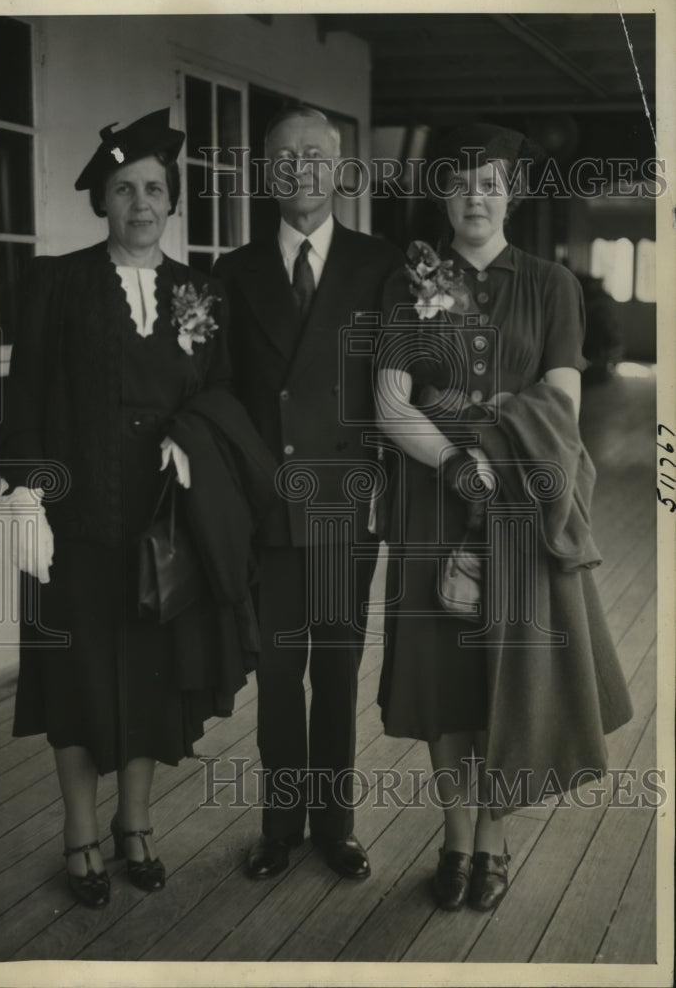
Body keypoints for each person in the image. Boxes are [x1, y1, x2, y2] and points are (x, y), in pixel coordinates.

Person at [0, 109, 275, 909]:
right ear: (103, 203)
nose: (140, 203)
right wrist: (24, 492)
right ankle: (79, 834)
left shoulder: (202, 292)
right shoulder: (57, 282)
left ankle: (135, 825)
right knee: (78, 682)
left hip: (163, 527)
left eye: (154, 188)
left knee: (153, 681)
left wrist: (191, 436)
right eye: (124, 190)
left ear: (172, 201)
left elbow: (221, 390)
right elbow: (24, 399)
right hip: (76, 525)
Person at [375, 123, 633, 912]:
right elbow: (389, 405)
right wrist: (455, 460)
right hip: (430, 504)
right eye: (459, 181)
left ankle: (491, 837)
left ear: (511, 193)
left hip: (517, 506)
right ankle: (454, 836)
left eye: (490, 181)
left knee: (505, 678)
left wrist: (478, 435)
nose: (475, 194)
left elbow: (559, 406)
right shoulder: (407, 280)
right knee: (443, 685)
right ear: (441, 195)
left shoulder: (552, 287)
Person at [214, 105, 402, 880]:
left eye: (315, 157)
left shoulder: (381, 264)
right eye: (284, 158)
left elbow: (401, 387)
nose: (299, 171)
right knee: (277, 675)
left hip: (341, 505)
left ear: (338, 170)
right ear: (266, 172)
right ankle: (278, 829)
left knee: (334, 671)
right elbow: (221, 395)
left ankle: (337, 827)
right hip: (267, 510)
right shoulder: (232, 272)